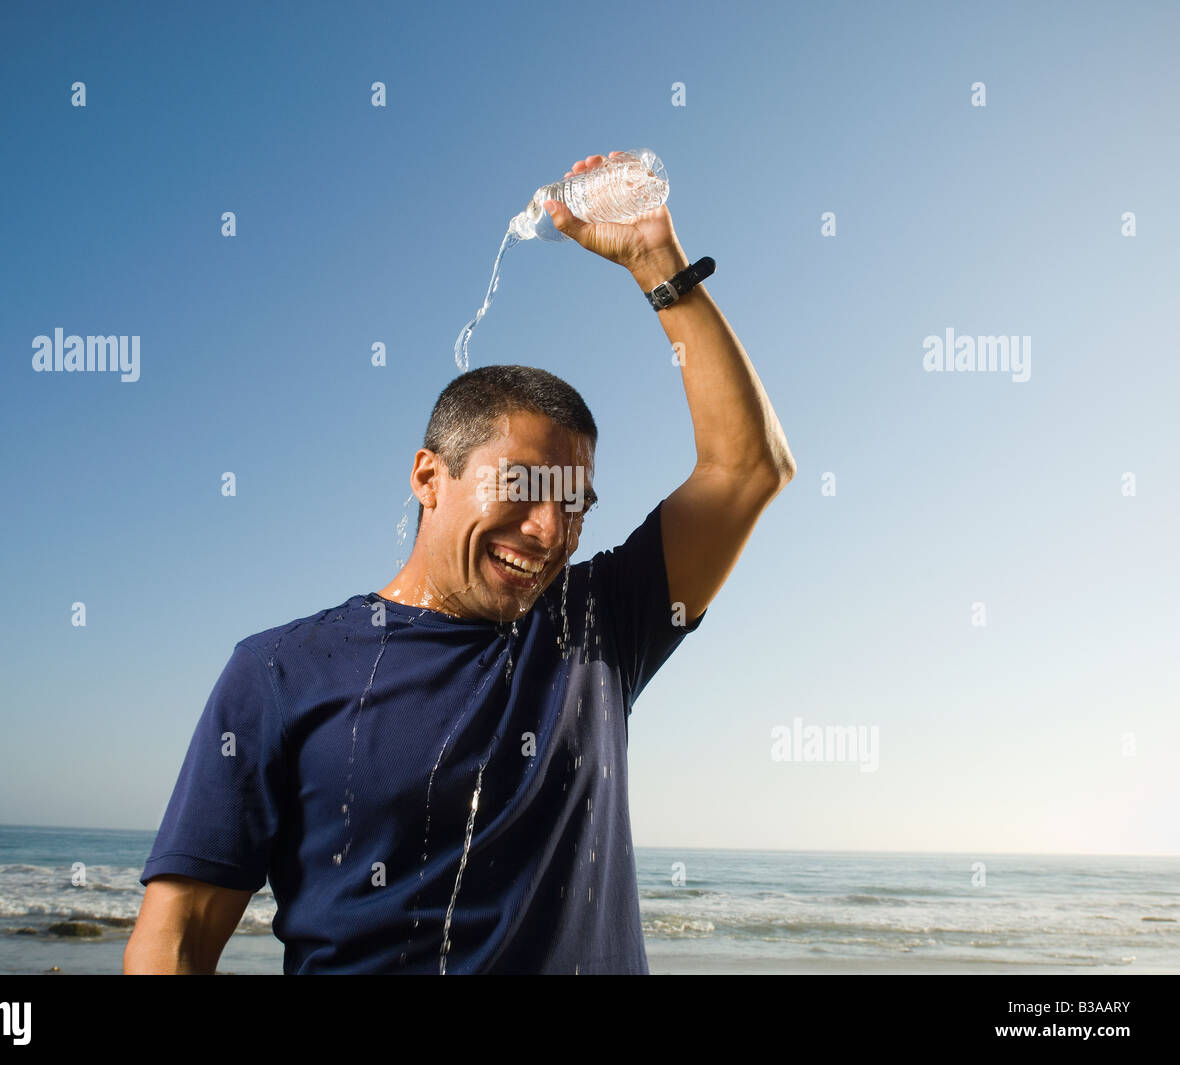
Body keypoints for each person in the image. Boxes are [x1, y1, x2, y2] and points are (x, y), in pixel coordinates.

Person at [124, 152, 796, 974]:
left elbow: (748, 466)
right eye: (521, 485)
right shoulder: (277, 673)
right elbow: (178, 939)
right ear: (427, 477)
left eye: (574, 500)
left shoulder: (599, 629)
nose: (550, 529)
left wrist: (658, 262)